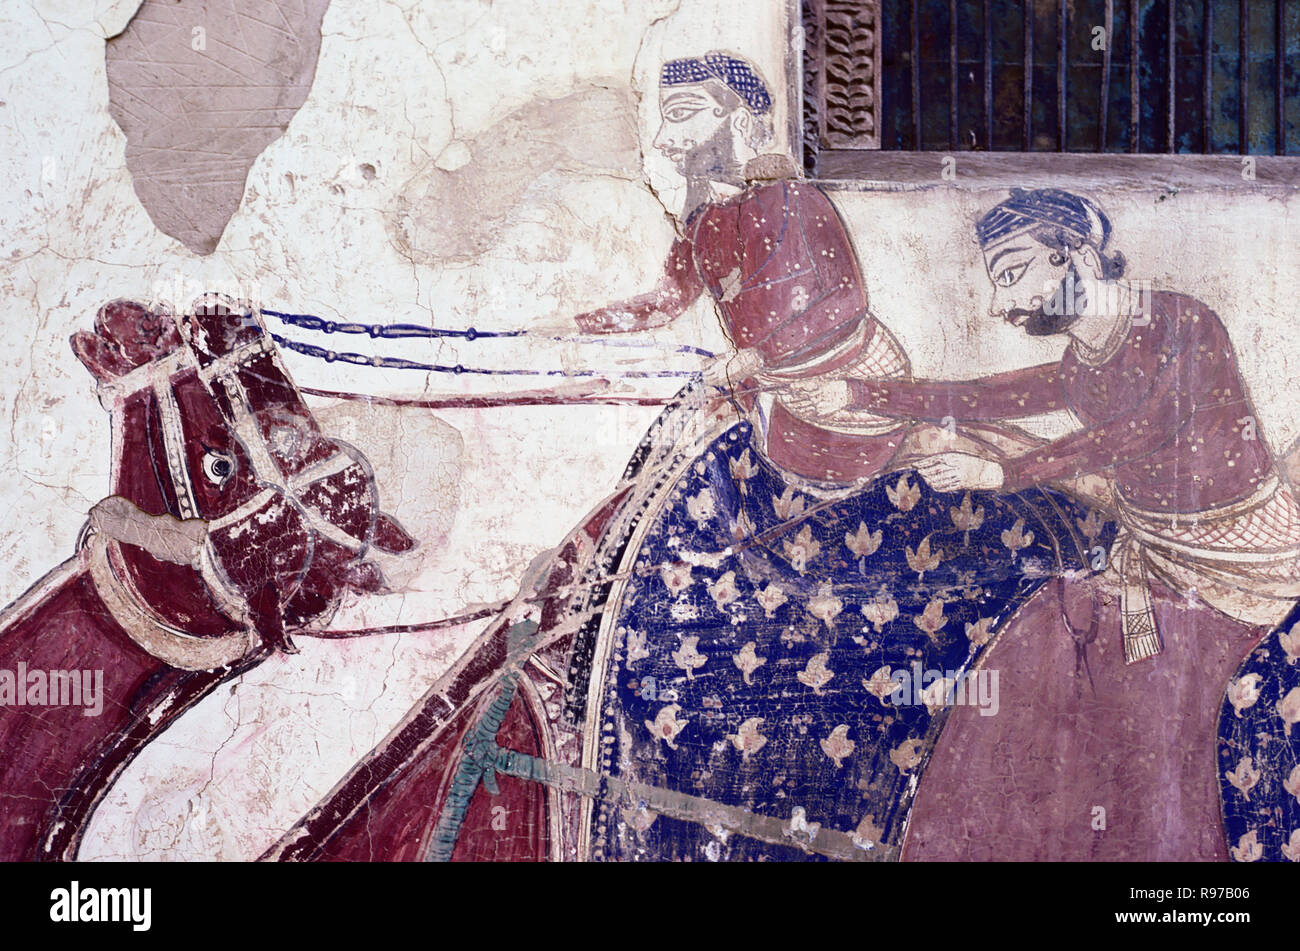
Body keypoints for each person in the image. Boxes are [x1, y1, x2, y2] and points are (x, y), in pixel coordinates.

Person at [569, 60, 1109, 861]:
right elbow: (660, 302)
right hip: (781, 411)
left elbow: (836, 305)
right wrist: (570, 328)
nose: (668, 136)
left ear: (737, 121)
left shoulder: (795, 202)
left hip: (854, 396)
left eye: (686, 113)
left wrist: (751, 358)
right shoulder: (702, 228)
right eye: (666, 117)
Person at [784, 187, 1300, 859]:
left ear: (1077, 255)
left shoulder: (1180, 324)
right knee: (1028, 651)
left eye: (1013, 273)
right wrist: (856, 391)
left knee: (1155, 713)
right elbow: (980, 395)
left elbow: (1133, 432)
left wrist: (1004, 473)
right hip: (1146, 559)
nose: (1002, 303)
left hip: (1235, 568)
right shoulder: (1081, 363)